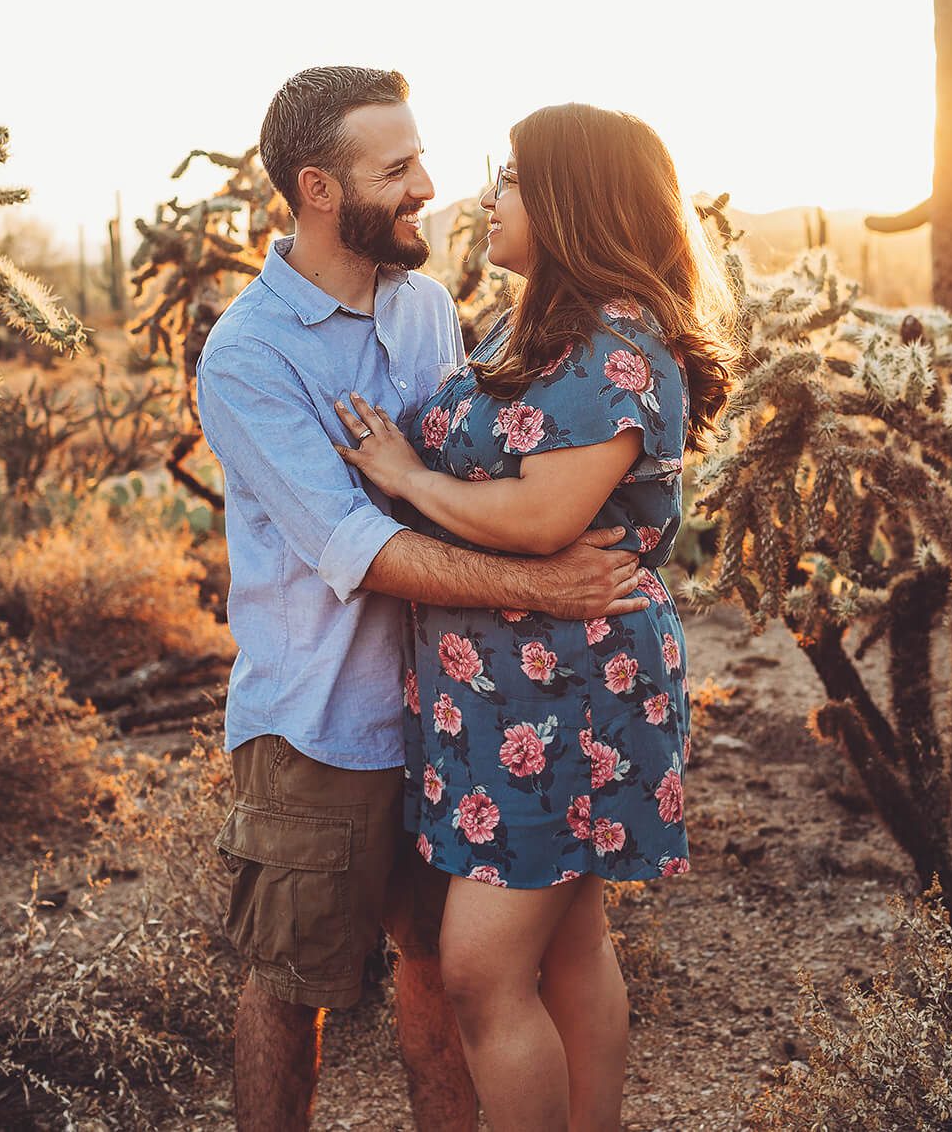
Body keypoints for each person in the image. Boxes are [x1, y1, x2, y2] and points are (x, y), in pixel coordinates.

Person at [195, 69, 651, 1132]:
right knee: (289, 979)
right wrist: (541, 582)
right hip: (321, 722)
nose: (427, 187)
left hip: (456, 708)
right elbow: (360, 546)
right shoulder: (250, 353)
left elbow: (461, 490)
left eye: (420, 160)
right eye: (394, 170)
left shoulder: (423, 306)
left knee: (444, 964)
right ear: (318, 188)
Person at [334, 102, 737, 1132]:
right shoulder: (531, 325)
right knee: (567, 942)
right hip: (504, 686)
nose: (486, 195)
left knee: (478, 970)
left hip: (571, 690)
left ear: (569, 200)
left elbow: (541, 513)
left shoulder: (616, 347)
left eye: (509, 177)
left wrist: (404, 475)